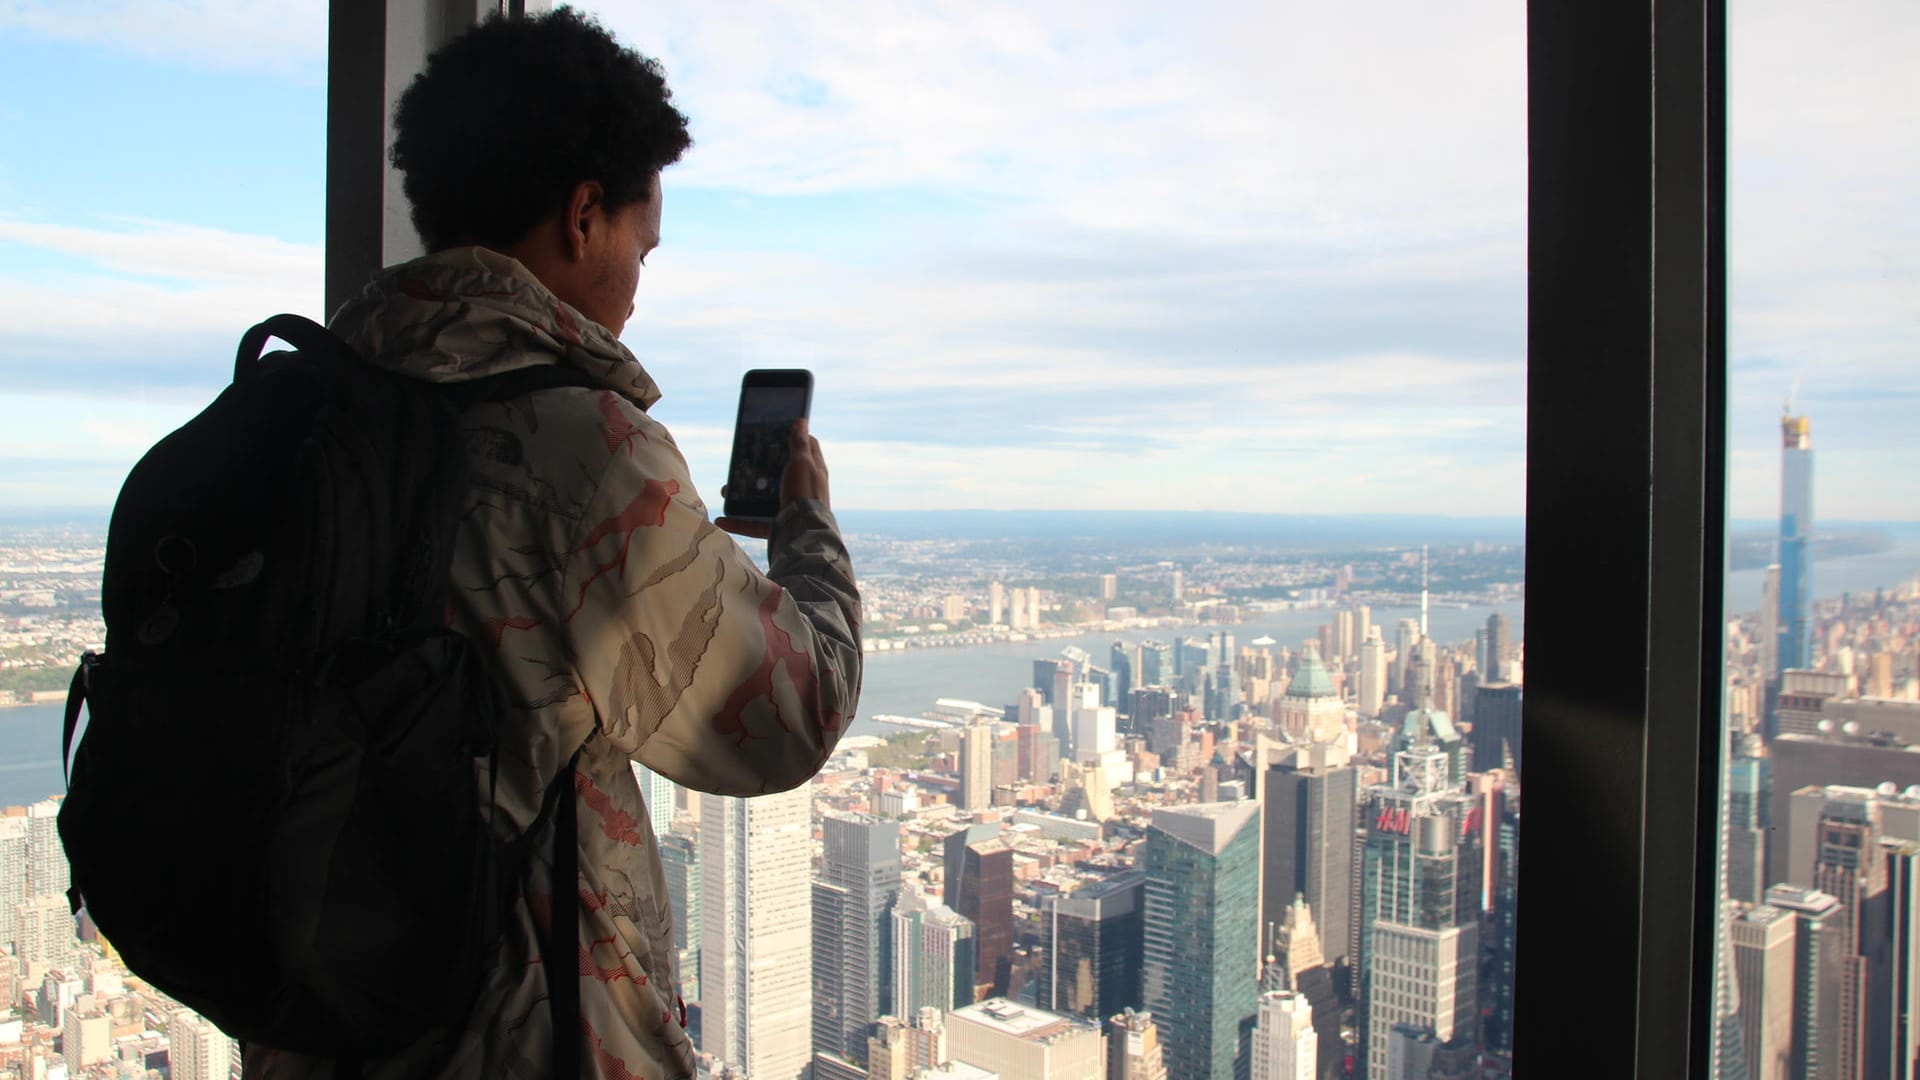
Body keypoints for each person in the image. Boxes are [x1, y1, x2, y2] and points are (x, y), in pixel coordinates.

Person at [244, 10, 861, 1078]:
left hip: (317, 1026)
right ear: (584, 217)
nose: (636, 284)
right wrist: (805, 525)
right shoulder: (580, 452)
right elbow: (790, 714)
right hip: (512, 1042)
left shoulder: (301, 405)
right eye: (640, 242)